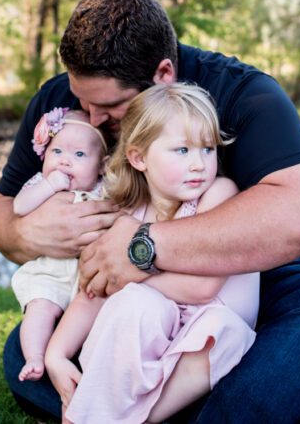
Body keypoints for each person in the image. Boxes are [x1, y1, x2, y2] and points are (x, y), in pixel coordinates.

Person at [0, 0, 300, 423]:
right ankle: (237, 399)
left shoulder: (244, 93)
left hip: (244, 275)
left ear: (163, 73)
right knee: (26, 358)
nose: (91, 119)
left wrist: (143, 249)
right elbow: (1, 212)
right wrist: (25, 232)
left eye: (109, 105)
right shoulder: (64, 99)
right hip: (107, 286)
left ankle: (160, 402)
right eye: (82, 102)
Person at [44, 83, 258, 423]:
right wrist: (56, 354)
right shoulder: (132, 213)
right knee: (136, 306)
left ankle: (132, 417)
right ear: (139, 157)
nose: (199, 164)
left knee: (217, 327)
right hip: (151, 332)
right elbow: (94, 288)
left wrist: (128, 276)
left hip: (205, 338)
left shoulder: (218, 195)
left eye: (207, 149)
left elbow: (202, 289)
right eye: (182, 150)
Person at [9, 107, 108, 383]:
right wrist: (50, 186)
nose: (65, 162)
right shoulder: (41, 182)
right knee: (40, 308)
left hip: (88, 278)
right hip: (50, 272)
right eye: (57, 152)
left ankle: (84, 366)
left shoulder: (104, 188)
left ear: (102, 165)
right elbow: (19, 207)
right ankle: (34, 358)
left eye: (79, 155)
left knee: (93, 319)